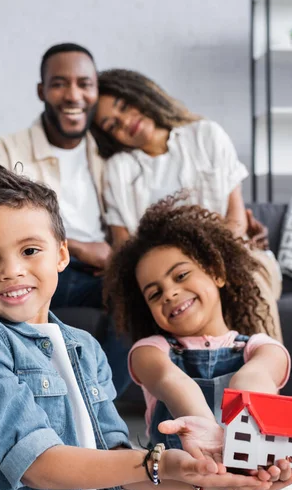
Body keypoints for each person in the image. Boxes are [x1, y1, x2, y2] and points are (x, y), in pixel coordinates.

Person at [0, 163, 292, 490]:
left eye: (29, 250)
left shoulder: (85, 349)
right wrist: (161, 461)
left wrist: (209, 478)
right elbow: (37, 464)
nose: (11, 271)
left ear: (61, 255)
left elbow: (119, 464)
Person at [104, 195, 292, 490]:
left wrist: (243, 398)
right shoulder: (151, 351)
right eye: (155, 293)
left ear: (217, 273)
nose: (170, 294)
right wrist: (203, 423)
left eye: (181, 275)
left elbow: (258, 375)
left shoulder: (260, 347)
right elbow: (171, 381)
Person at [0, 43, 130, 396]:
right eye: (60, 83)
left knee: (136, 295)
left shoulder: (112, 155)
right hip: (29, 263)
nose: (73, 94)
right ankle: (15, 403)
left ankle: (92, 403)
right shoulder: (2, 151)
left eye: (84, 83)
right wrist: (77, 246)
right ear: (41, 91)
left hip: (94, 275)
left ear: (96, 91)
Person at [93, 68, 282, 341]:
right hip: (166, 276)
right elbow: (125, 245)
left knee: (250, 279)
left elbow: (236, 218)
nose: (124, 121)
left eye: (124, 106)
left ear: (142, 93)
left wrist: (208, 265)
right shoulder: (117, 170)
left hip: (228, 254)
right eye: (112, 125)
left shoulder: (206, 135)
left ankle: (265, 378)